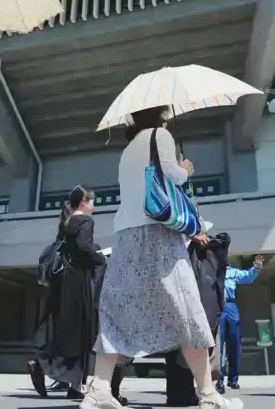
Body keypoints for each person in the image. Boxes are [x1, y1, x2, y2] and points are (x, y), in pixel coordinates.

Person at [85, 106, 239, 409]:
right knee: (187, 308)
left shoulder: (128, 148)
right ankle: (208, 394)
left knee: (118, 309)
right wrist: (187, 169)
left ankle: (99, 389)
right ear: (161, 114)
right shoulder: (161, 136)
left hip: (126, 235)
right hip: (158, 233)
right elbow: (172, 176)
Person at [27, 186, 126, 405]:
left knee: (68, 330)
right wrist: (101, 259)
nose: (94, 207)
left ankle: (71, 382)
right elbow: (84, 247)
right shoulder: (86, 222)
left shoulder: (67, 222)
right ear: (83, 202)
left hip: (64, 281)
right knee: (83, 332)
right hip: (79, 281)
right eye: (92, 202)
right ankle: (51, 370)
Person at [166, 232, 231, 407]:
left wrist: (198, 238)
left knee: (187, 350)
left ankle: (186, 394)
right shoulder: (173, 248)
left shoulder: (201, 248)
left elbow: (223, 239)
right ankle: (180, 395)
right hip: (180, 304)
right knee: (177, 352)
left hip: (195, 304)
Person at [216, 254, 264, 393]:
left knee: (234, 344)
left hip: (230, 307)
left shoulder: (232, 272)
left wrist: (256, 269)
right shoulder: (212, 271)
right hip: (217, 307)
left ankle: (233, 379)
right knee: (218, 346)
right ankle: (218, 380)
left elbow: (247, 277)